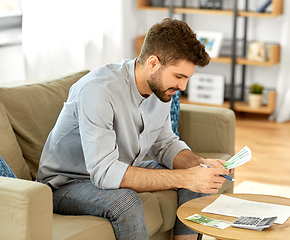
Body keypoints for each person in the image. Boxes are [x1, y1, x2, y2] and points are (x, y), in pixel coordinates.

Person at [36, 18, 230, 240]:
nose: (183, 86)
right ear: (153, 63)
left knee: (199, 180)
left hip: (117, 168)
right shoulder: (99, 90)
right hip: (65, 184)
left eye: (187, 78)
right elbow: (104, 173)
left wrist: (200, 164)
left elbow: (165, 145)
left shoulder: (161, 91)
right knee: (126, 202)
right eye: (179, 76)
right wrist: (185, 177)